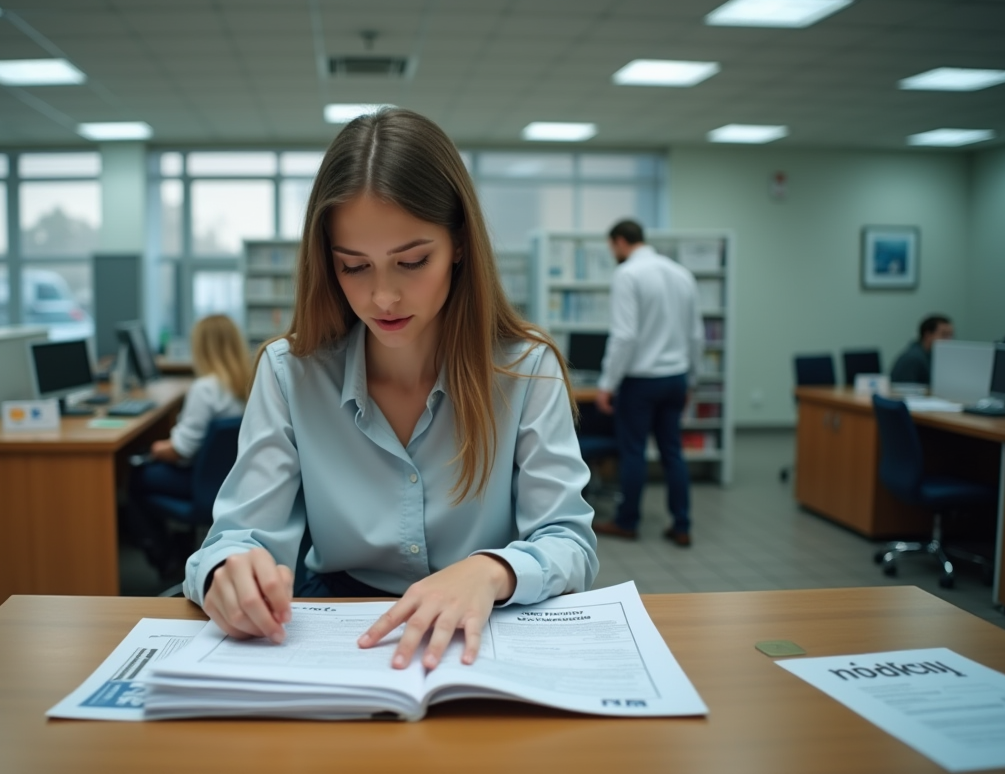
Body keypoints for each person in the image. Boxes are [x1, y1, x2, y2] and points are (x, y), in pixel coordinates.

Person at [183, 108, 598, 672]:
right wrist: (226, 574)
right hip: (340, 630)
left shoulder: (526, 370)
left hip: (487, 626)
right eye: (355, 267)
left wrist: (491, 571)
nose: (383, 297)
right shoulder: (290, 373)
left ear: (458, 245)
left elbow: (570, 543)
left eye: (412, 261)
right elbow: (236, 538)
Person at [592, 220, 703, 548]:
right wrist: (691, 381)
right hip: (675, 379)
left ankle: (628, 522)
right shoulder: (682, 275)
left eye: (612, 247)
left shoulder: (628, 274)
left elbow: (624, 336)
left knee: (633, 453)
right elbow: (696, 335)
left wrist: (606, 384)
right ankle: (681, 525)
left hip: (640, 382)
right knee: (673, 453)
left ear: (621, 242)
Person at [124, 314, 251, 578]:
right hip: (236, 482)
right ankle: (181, 544)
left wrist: (156, 449)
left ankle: (166, 557)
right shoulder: (248, 382)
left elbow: (181, 450)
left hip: (201, 484)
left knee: (135, 479)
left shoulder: (205, 389)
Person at [891, 314, 953, 385]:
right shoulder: (913, 358)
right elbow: (905, 392)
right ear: (928, 335)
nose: (948, 340)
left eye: (950, 335)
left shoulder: (929, 356)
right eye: (944, 335)